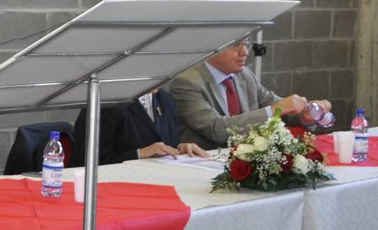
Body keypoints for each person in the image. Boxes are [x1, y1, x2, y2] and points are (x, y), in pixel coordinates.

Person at [167, 39, 331, 148]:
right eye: (236, 46)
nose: (244, 52)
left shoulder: (244, 75)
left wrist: (304, 114)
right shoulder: (187, 82)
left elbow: (281, 108)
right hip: (203, 164)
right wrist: (275, 110)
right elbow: (216, 129)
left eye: (246, 44)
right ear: (213, 47)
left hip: (246, 160)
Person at [70, 87, 210, 164]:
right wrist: (139, 154)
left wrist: (180, 148)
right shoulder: (105, 102)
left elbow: (164, 145)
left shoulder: (165, 98)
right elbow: (84, 162)